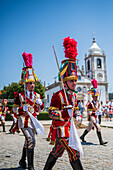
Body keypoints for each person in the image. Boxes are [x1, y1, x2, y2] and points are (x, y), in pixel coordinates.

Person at [44, 37, 84, 170]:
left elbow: (76, 108)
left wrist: (77, 114)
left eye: (75, 80)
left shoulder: (74, 96)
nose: (74, 83)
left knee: (57, 152)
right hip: (61, 129)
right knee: (74, 152)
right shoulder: (58, 95)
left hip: (70, 129)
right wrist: (64, 113)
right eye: (71, 80)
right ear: (65, 82)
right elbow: (51, 112)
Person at [13, 52, 44, 170]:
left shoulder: (37, 95)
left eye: (33, 83)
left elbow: (39, 111)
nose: (32, 85)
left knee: (29, 141)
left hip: (33, 122)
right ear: (25, 84)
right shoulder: (20, 95)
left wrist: (41, 105)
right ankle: (31, 166)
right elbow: (14, 109)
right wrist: (21, 108)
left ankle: (22, 160)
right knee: (30, 140)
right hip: (24, 121)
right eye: (30, 83)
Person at [80, 79, 108, 145]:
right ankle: (101, 141)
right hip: (91, 117)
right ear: (93, 97)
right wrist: (94, 113)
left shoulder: (98, 103)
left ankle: (82, 136)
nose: (96, 98)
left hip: (95, 117)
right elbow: (89, 112)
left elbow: (98, 109)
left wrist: (100, 112)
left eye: (97, 96)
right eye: (95, 97)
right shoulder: (90, 104)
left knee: (88, 128)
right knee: (98, 127)